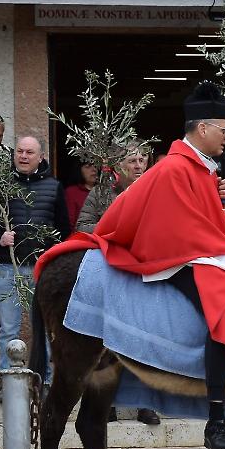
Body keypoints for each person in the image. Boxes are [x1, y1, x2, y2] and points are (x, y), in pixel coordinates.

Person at [34, 81, 225, 449]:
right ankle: (216, 419)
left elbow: (208, 222)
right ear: (203, 128)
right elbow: (176, 231)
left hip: (197, 255)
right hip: (168, 259)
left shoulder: (201, 167)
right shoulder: (174, 168)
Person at [75, 147, 161, 426]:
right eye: (131, 161)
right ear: (119, 165)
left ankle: (146, 403)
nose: (138, 166)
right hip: (111, 274)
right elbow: (82, 225)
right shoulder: (101, 193)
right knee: (108, 340)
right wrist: (114, 228)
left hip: (144, 275)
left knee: (144, 340)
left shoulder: (155, 191)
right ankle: (105, 402)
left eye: (142, 160)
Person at [0, 135, 71, 372]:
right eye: (20, 151)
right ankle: (8, 378)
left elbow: (64, 229)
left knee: (45, 327)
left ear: (41, 157)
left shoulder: (54, 186)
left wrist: (48, 250)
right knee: (8, 328)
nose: (23, 156)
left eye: (29, 152)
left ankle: (44, 379)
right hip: (8, 266)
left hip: (42, 268)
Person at [64, 163, 98, 228]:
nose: (94, 170)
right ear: (79, 170)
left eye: (96, 166)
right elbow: (70, 222)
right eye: (88, 166)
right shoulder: (72, 192)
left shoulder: (105, 190)